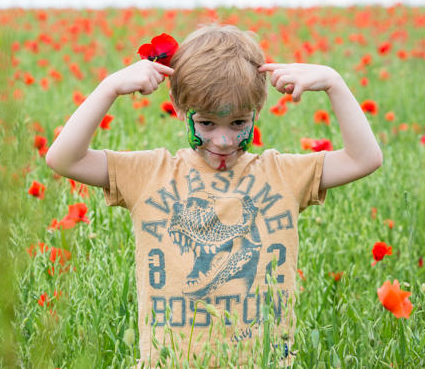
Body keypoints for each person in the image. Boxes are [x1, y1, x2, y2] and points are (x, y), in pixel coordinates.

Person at [45, 23, 382, 368]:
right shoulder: (149, 173)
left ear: (256, 112)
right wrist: (110, 88)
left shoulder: (282, 174)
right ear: (179, 109)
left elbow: (364, 158)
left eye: (238, 123)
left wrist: (334, 83)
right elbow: (63, 159)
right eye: (206, 123)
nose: (223, 140)